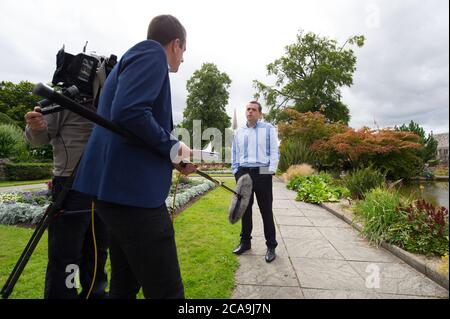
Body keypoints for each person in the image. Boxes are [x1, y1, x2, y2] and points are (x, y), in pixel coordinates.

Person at [72, 14, 196, 299]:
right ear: (176, 44)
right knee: (168, 291)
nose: (183, 59)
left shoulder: (131, 60)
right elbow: (130, 113)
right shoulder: (151, 53)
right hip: (134, 198)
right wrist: (175, 148)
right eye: (184, 51)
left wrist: (173, 158)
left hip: (115, 194)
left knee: (124, 286)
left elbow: (128, 125)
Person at [24, 99, 109, 298]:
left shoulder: (109, 97)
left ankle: (95, 293)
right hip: (71, 184)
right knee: (66, 253)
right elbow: (37, 138)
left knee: (97, 250)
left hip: (104, 184)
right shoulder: (63, 100)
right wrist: (36, 126)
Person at [231, 101, 280, 263]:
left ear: (259, 113)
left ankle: (271, 246)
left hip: (262, 173)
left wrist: (269, 172)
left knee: (266, 210)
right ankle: (245, 242)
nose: (250, 112)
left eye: (254, 110)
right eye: (248, 109)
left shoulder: (269, 129)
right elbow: (234, 154)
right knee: (245, 210)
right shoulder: (239, 132)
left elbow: (274, 152)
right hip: (244, 174)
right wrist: (236, 172)